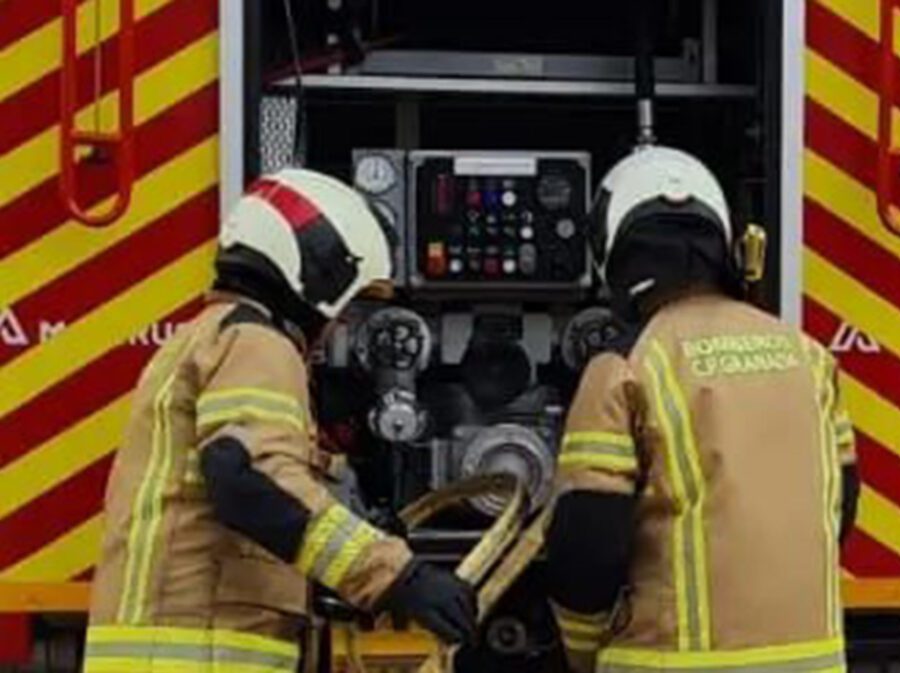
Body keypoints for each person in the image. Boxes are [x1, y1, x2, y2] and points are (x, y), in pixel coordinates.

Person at [84, 170, 476, 673]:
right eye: (348, 303)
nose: (338, 325)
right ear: (319, 274)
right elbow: (251, 478)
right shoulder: (258, 343)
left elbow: (240, 503)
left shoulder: (204, 337)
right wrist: (396, 573)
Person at [545, 147, 860, 673]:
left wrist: (583, 649)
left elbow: (589, 544)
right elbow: (841, 508)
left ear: (612, 251)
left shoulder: (625, 366)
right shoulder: (807, 354)